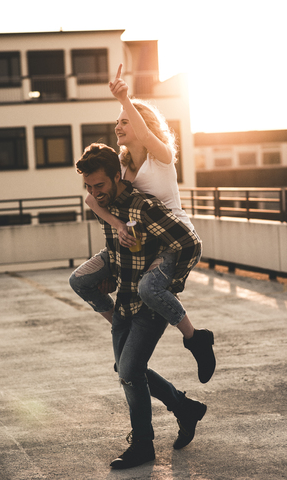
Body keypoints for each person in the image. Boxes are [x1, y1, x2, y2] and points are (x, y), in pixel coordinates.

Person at [69, 143, 209, 469]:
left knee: (130, 371)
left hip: (147, 307)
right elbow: (114, 250)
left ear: (117, 176)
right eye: (88, 187)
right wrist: (110, 279)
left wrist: (167, 285)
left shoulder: (142, 207)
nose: (94, 192)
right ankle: (184, 407)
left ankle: (143, 444)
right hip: (122, 304)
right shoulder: (107, 208)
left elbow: (189, 242)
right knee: (126, 369)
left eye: (99, 185)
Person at [84, 64, 215, 384]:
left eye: (124, 121)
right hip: (144, 243)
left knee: (148, 288)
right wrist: (117, 224)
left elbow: (143, 133)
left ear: (142, 124)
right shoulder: (125, 169)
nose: (118, 126)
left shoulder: (162, 155)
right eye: (116, 121)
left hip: (173, 240)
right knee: (84, 282)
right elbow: (92, 201)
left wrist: (125, 98)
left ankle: (196, 338)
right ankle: (121, 324)